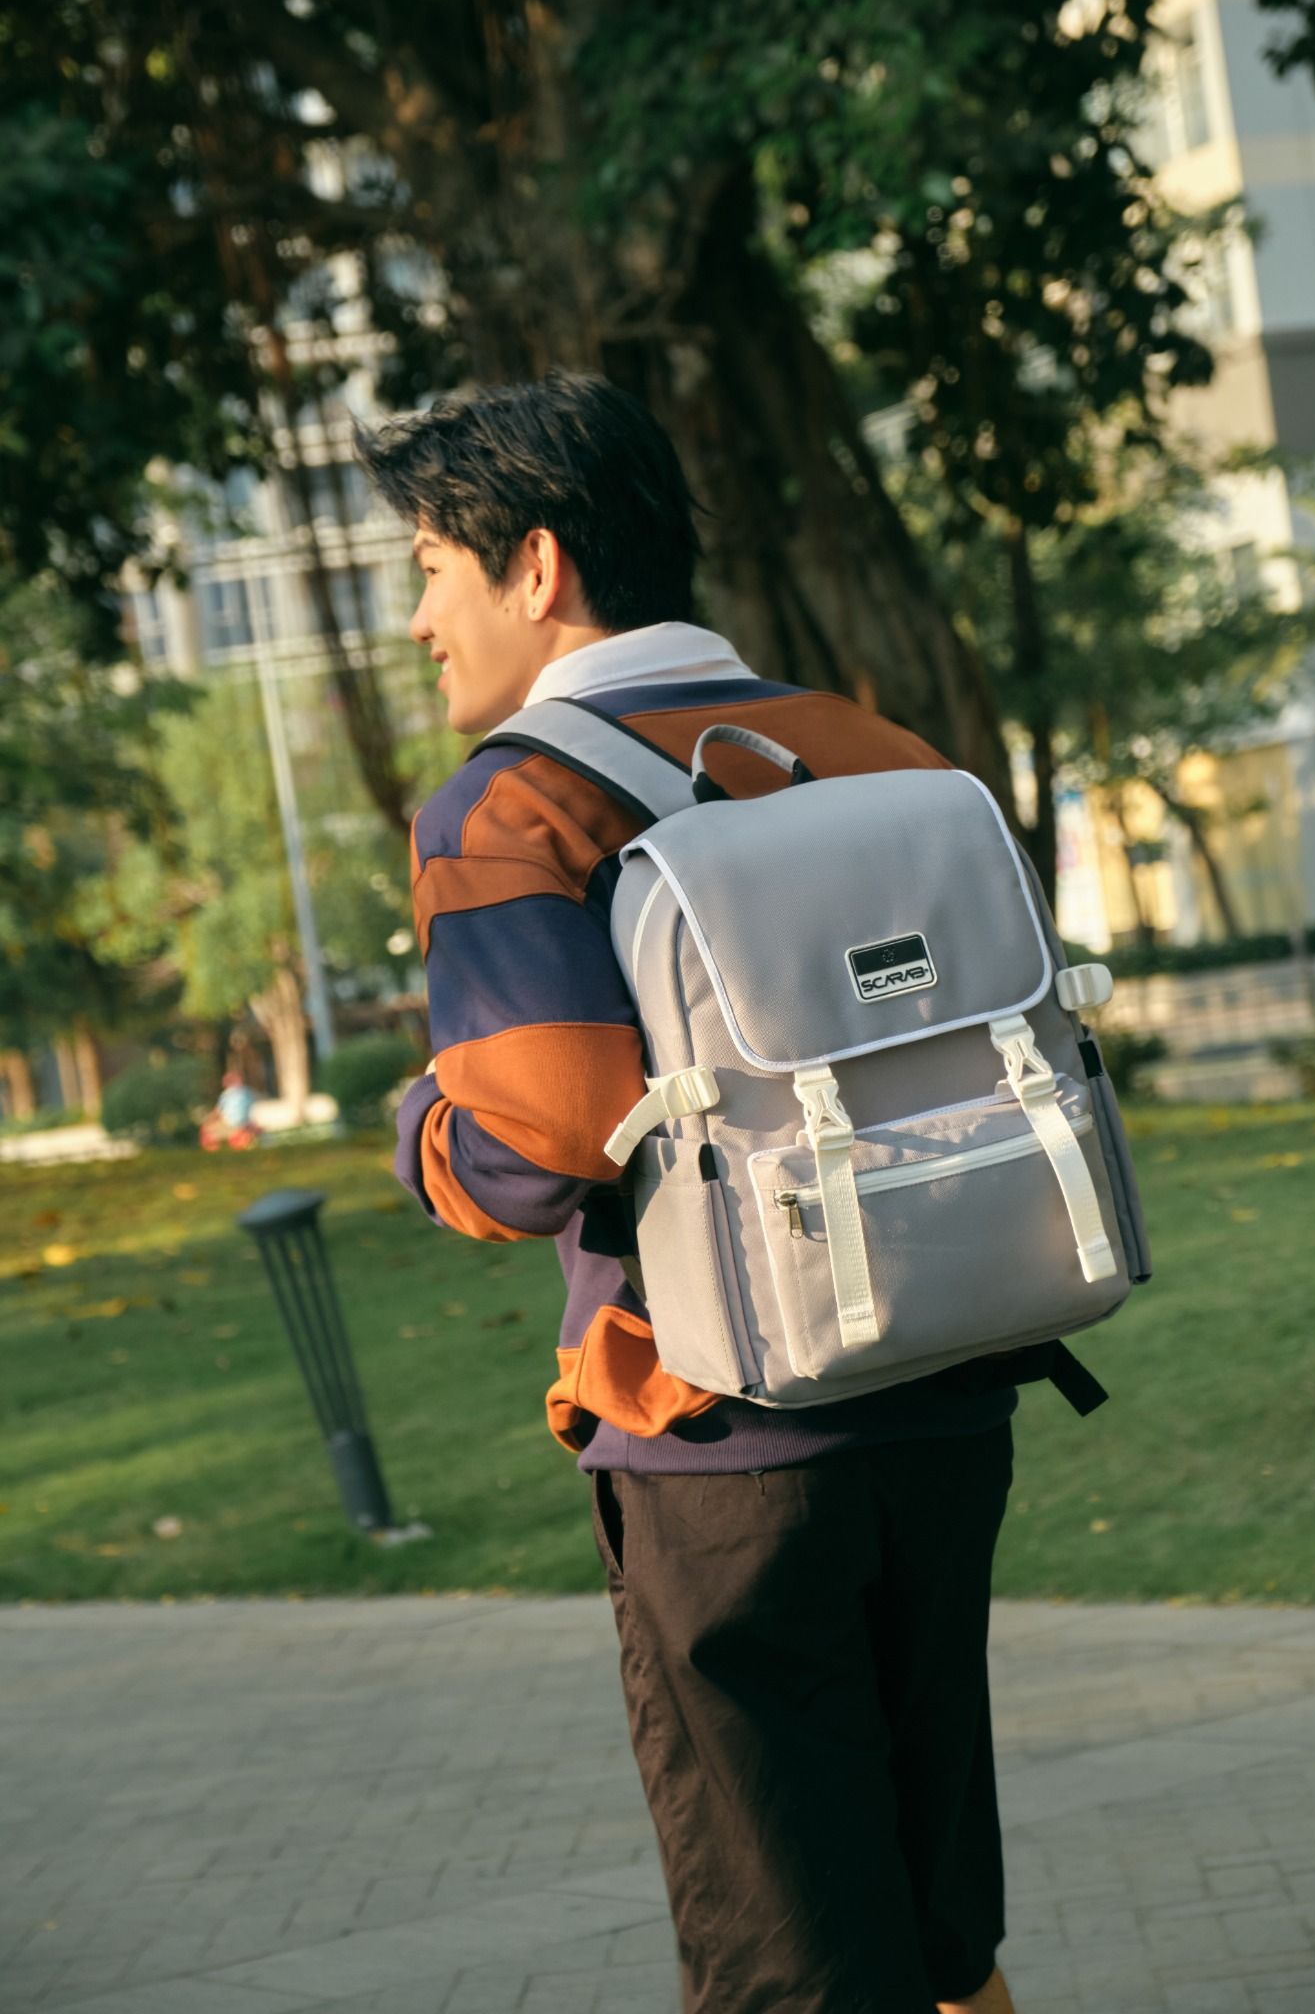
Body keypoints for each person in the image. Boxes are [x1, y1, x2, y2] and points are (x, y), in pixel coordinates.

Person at [360, 372, 1019, 2014]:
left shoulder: (510, 808)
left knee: (787, 1952)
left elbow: (542, 1137)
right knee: (941, 1931)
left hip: (720, 1437)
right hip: (950, 1390)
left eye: (432, 566)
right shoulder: (867, 742)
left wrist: (420, 1124)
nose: (421, 620)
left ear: (537, 563)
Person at [198, 1070, 256, 1152]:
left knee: (205, 1128)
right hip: (244, 1123)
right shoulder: (248, 1093)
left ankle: (213, 1149)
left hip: (231, 1124)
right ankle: (241, 1140)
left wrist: (208, 1121)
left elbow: (218, 1112)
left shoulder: (227, 1094)